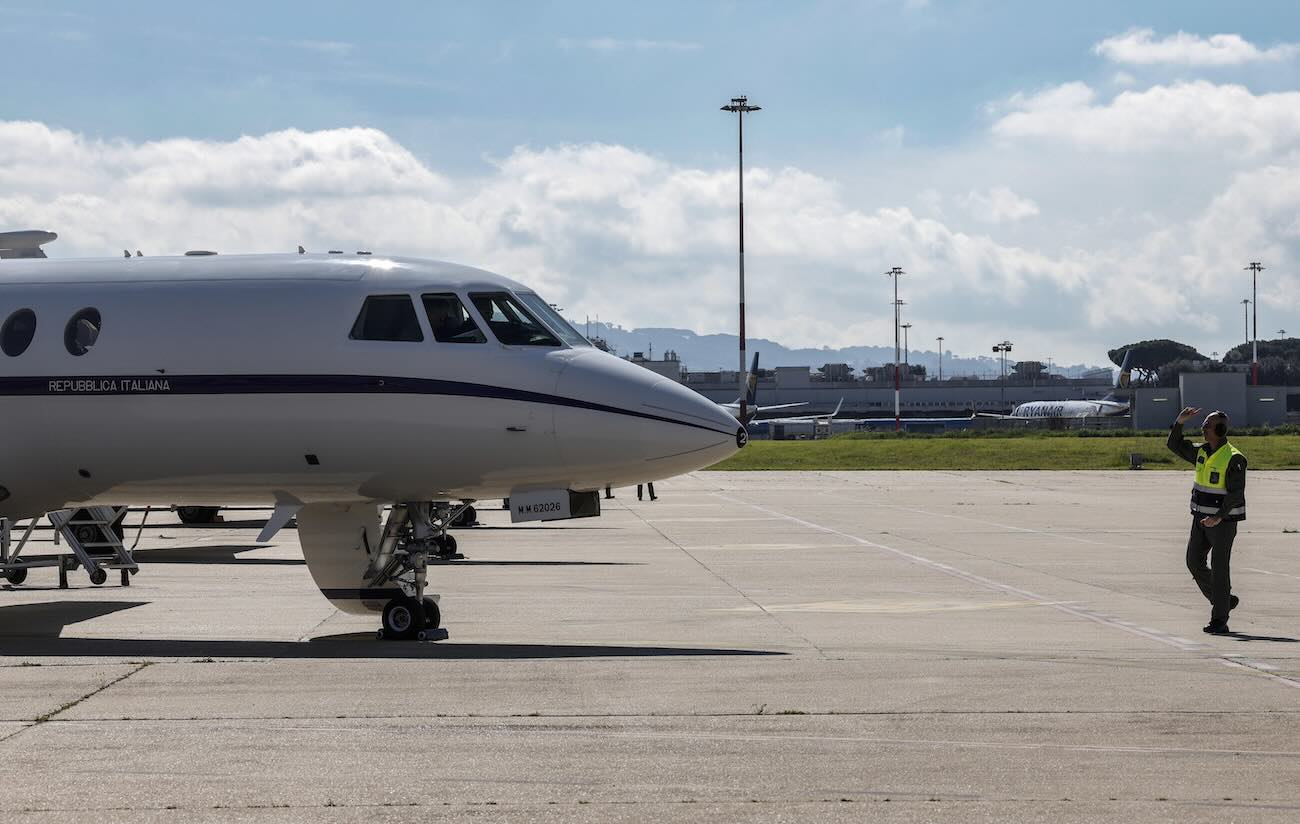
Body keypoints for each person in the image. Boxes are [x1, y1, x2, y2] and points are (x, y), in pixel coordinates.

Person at [1167, 406, 1246, 634]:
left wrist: (1218, 517)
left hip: (1223, 523)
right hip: (1200, 519)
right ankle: (1223, 600)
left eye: (1206, 425)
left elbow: (1235, 494)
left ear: (1218, 430)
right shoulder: (1201, 452)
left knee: (1220, 570)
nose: (1202, 428)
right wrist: (1180, 421)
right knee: (1193, 561)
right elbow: (1174, 445)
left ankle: (1219, 620)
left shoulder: (1234, 458)